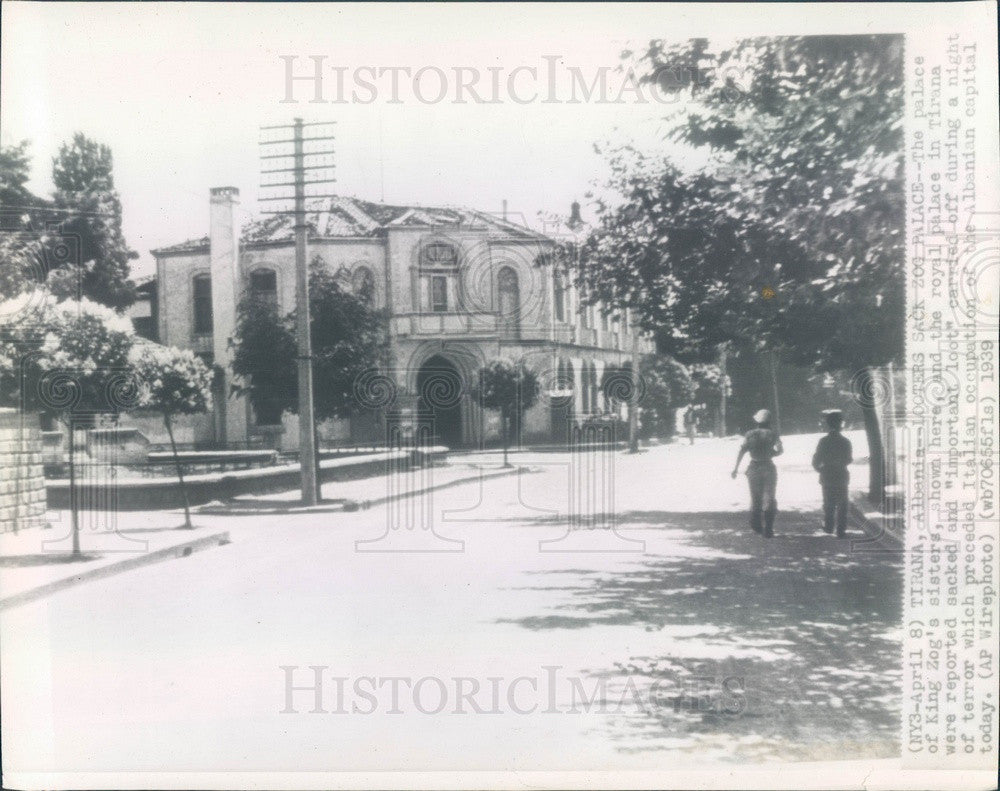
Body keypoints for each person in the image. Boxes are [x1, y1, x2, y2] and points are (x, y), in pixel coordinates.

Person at [731, 409, 783, 537]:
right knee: (769, 496)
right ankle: (769, 528)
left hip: (753, 467)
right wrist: (772, 453)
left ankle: (757, 524)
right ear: (769, 421)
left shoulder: (750, 434)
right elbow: (780, 450)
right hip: (768, 467)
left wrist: (735, 469)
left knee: (755, 497)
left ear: (757, 421)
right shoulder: (773, 434)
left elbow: (742, 451)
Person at [812, 409, 853, 537]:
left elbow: (816, 459)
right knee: (842, 503)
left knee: (828, 502)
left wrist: (820, 470)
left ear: (828, 424)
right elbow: (848, 459)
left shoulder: (823, 441)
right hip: (841, 474)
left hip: (827, 474)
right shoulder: (846, 441)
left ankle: (829, 526)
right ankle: (841, 529)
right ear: (841, 424)